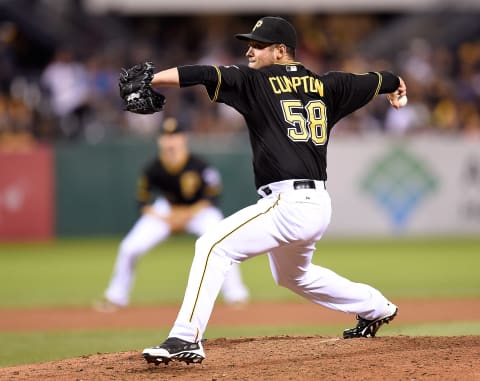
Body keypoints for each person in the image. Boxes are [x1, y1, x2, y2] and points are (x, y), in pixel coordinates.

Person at [123, 16, 406, 365]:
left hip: (288, 203)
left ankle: (185, 337)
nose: (249, 51)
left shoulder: (256, 82)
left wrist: (154, 78)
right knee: (292, 275)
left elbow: (204, 74)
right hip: (316, 203)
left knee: (212, 246)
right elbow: (377, 80)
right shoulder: (330, 85)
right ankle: (377, 308)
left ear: (281, 51)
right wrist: (395, 85)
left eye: (258, 45)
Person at [95, 116, 250, 312]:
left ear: (183, 138)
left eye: (175, 136)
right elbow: (143, 202)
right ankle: (116, 297)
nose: (170, 141)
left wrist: (185, 215)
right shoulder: (153, 168)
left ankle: (236, 295)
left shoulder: (199, 165)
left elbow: (212, 197)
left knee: (222, 241)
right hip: (166, 210)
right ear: (160, 140)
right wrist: (166, 218)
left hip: (199, 212)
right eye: (166, 136)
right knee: (129, 248)